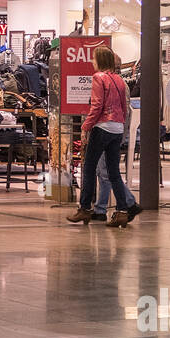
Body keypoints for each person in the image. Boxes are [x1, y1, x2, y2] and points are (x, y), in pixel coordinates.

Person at [67, 46, 142, 228]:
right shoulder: (119, 80)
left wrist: (86, 127)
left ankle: (85, 208)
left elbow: (97, 106)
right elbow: (125, 106)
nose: (92, 62)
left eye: (94, 59)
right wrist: (120, 126)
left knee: (89, 168)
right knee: (114, 171)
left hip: (102, 127)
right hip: (117, 128)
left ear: (100, 61)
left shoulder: (98, 78)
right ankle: (123, 211)